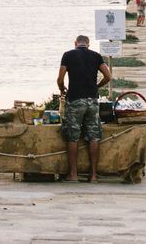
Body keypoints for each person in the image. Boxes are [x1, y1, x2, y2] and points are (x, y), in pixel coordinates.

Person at [57, 35, 113, 183]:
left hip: (75, 100)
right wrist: (97, 86)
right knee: (94, 136)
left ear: (75, 43)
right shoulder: (96, 56)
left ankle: (73, 175)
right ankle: (93, 176)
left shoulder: (68, 55)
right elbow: (108, 76)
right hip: (92, 101)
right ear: (88, 44)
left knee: (73, 137)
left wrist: (62, 89)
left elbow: (60, 78)